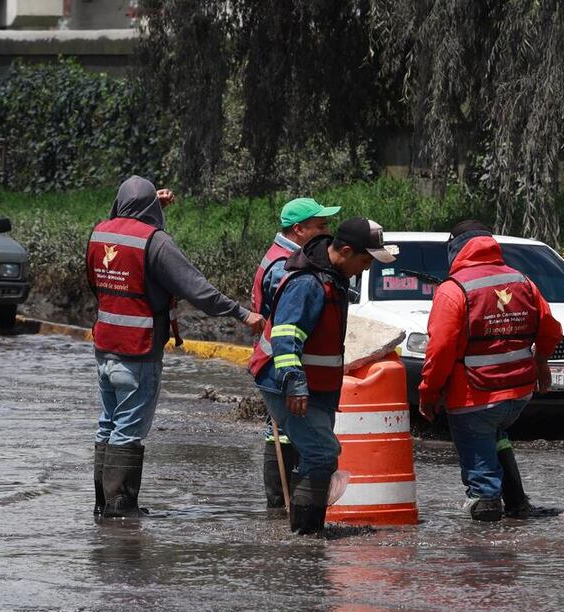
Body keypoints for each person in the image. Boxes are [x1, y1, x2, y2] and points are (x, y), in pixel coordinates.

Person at [87, 176, 265, 518]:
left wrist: (151, 202)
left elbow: (96, 282)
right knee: (129, 430)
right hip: (138, 351)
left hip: (105, 347)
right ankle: (121, 510)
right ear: (150, 207)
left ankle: (102, 505)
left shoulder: (100, 233)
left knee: (108, 424)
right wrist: (243, 314)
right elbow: (197, 289)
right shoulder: (155, 242)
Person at [249, 217, 396, 534]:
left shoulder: (333, 278)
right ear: (344, 250)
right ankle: (305, 533)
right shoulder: (308, 284)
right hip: (286, 382)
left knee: (316, 453)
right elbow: (286, 337)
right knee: (321, 452)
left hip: (316, 386)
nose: (367, 267)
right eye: (365, 259)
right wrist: (295, 383)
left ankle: (305, 527)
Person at [418, 220, 562, 522]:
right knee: (496, 432)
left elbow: (440, 350)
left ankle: (485, 541)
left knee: (481, 476)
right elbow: (550, 329)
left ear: (455, 250)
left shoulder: (453, 290)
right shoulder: (523, 281)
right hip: (518, 395)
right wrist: (541, 362)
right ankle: (517, 503)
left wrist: (429, 393)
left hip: (474, 396)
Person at [251, 197, 340, 512]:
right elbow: (286, 328)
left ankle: (282, 504)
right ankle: (285, 504)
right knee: (289, 433)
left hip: (277, 364)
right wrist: (293, 377)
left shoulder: (286, 256)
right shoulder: (286, 266)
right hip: (281, 366)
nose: (326, 232)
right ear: (299, 229)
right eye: (320, 226)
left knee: (281, 430)